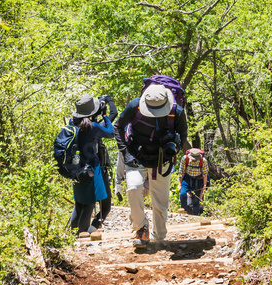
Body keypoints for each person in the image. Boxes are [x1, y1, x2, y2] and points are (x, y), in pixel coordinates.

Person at [113, 82, 188, 247]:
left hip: (161, 160)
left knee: (160, 203)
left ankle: (159, 238)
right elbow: (117, 127)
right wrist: (126, 153)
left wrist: (174, 148)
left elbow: (183, 134)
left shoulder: (177, 112)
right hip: (135, 155)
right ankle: (141, 229)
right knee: (133, 188)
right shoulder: (135, 106)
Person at [54, 93, 116, 235]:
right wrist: (105, 116)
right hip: (91, 171)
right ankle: (82, 236)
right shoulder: (92, 127)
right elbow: (111, 132)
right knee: (88, 204)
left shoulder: (72, 123)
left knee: (79, 204)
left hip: (75, 170)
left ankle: (73, 237)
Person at [178, 147, 209, 215]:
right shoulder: (185, 159)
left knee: (196, 198)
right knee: (183, 194)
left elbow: (205, 174)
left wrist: (204, 185)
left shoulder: (203, 161)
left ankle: (196, 215)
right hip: (187, 178)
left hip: (198, 179)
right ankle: (184, 212)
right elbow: (181, 172)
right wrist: (180, 184)